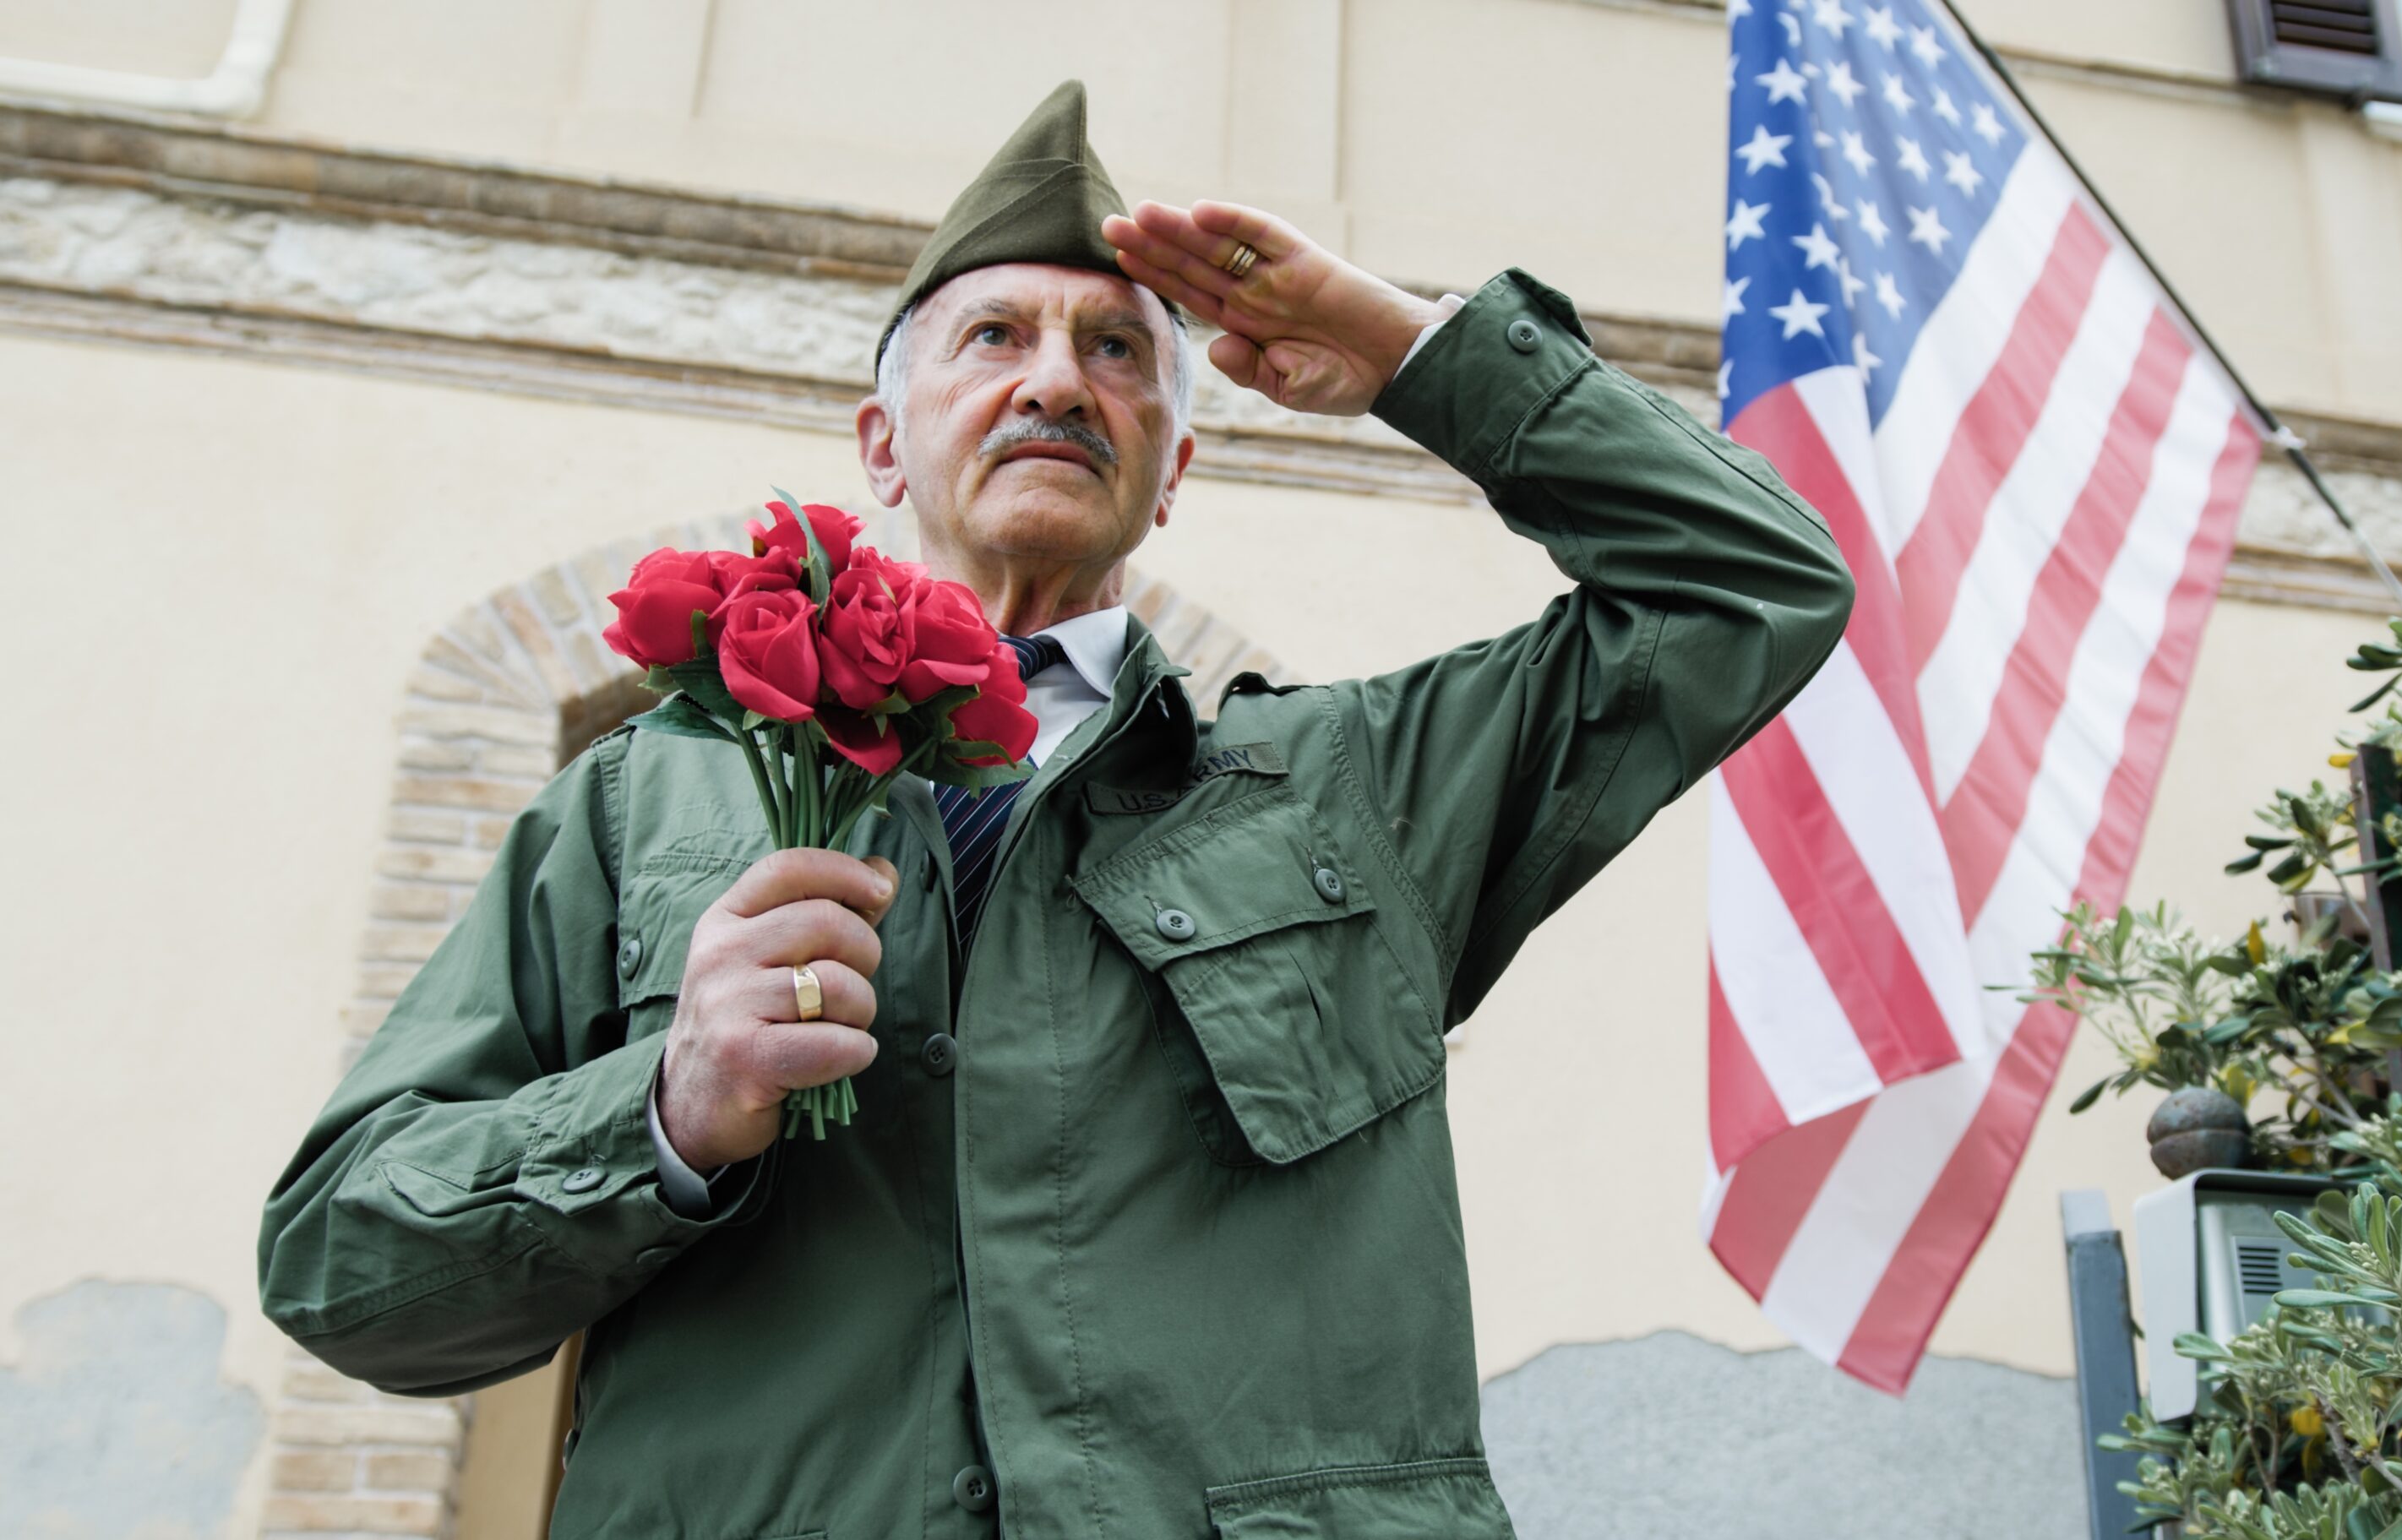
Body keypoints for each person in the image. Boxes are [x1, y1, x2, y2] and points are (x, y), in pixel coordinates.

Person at [259, 79, 1851, 1537]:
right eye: (993, 339)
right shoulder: (637, 805)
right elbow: (343, 1270)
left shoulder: (1359, 791)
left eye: (1115, 353)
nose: (1055, 384)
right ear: (885, 445)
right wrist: (663, 1114)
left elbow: (1754, 586)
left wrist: (1413, 350)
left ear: (1174, 470)